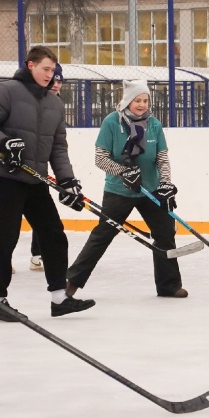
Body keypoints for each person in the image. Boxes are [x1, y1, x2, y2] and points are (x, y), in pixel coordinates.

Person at [0, 46, 94, 320]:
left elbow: (58, 148)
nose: (50, 76)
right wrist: (3, 143)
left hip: (34, 178)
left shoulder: (55, 104)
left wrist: (67, 180)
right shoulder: (7, 91)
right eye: (45, 69)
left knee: (54, 234)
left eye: (53, 71)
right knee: (6, 237)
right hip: (6, 177)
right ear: (30, 65)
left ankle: (60, 298)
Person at [65, 80, 186, 298]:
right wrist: (123, 172)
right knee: (102, 234)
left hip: (150, 189)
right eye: (137, 100)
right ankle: (72, 282)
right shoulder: (112, 122)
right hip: (119, 190)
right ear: (128, 101)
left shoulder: (154, 124)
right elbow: (100, 159)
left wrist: (166, 183)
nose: (141, 105)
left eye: (145, 100)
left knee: (165, 233)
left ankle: (169, 286)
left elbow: (162, 158)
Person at [29, 62, 65, 272]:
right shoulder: (31, 100)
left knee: (43, 215)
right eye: (52, 79)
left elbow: (56, 142)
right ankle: (4, 260)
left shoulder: (56, 104)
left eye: (59, 80)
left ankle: (38, 254)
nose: (55, 84)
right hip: (19, 167)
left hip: (40, 168)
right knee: (11, 220)